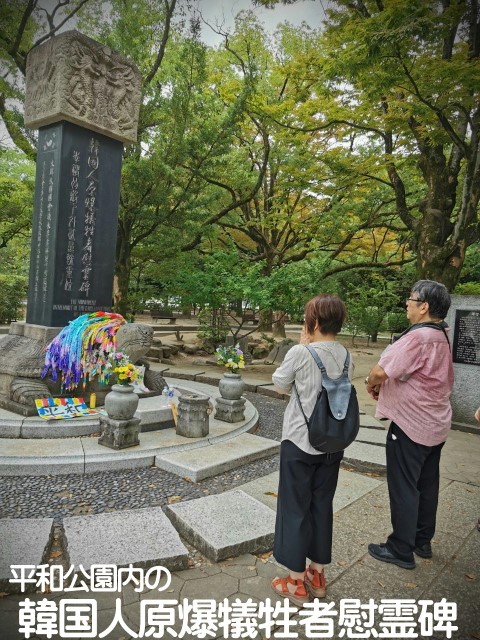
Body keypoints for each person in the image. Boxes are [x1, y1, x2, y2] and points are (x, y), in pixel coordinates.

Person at [270, 294, 353, 605]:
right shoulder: (347, 355)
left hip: (300, 443)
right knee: (321, 505)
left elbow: (279, 383)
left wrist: (303, 348)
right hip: (332, 444)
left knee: (294, 508)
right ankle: (317, 574)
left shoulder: (300, 352)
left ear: (314, 323)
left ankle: (294, 582)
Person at [366, 280, 454, 570]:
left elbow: (381, 371)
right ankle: (421, 540)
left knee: (404, 485)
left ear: (424, 306)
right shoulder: (441, 335)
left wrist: (371, 383)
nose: (407, 303)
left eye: (411, 298)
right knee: (427, 484)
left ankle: (400, 548)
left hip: (411, 423)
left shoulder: (417, 338)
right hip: (435, 423)